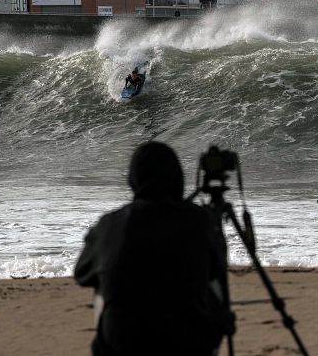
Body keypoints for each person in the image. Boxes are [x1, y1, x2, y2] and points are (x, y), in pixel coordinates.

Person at [75, 142, 233, 356]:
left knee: (102, 280)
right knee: (211, 274)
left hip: (123, 345)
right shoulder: (198, 220)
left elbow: (82, 274)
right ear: (177, 177)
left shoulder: (109, 224)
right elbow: (217, 268)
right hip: (190, 344)